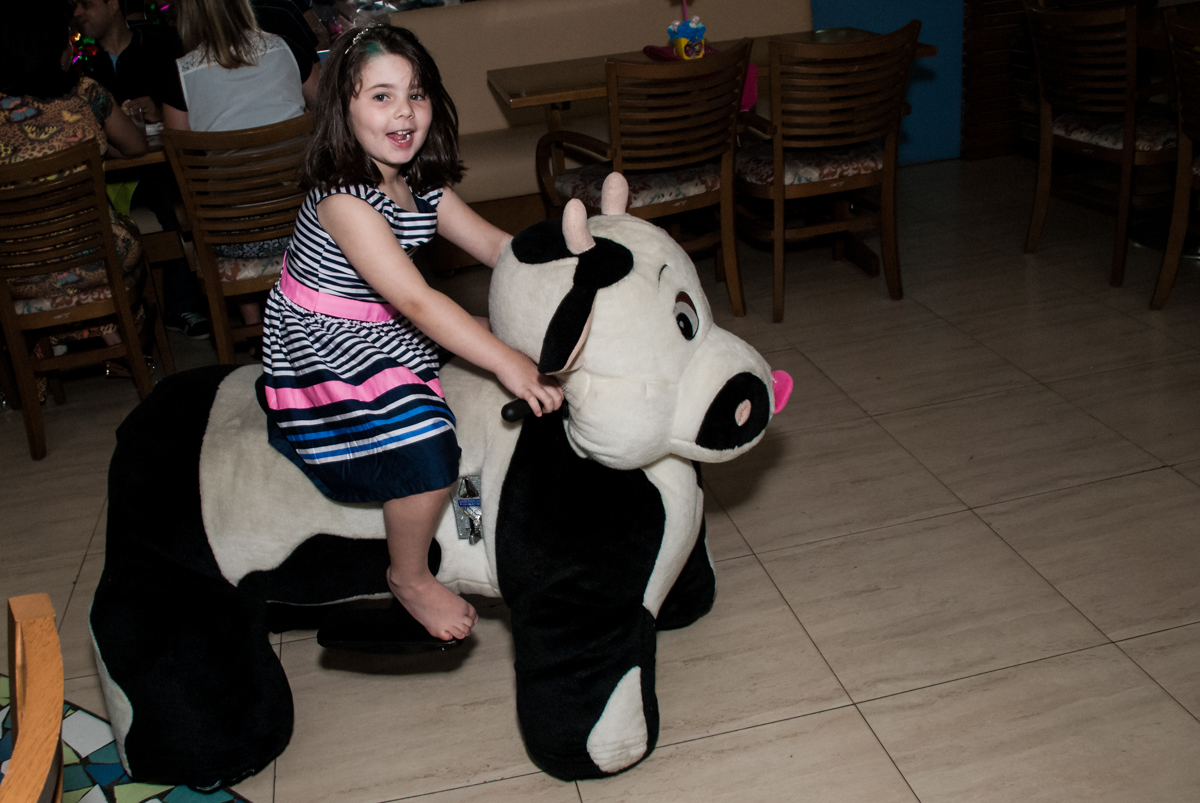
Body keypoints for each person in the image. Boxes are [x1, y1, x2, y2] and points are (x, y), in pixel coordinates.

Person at [260, 24, 563, 641]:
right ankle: (408, 575)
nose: (404, 110)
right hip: (325, 343)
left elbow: (494, 246)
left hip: (386, 320)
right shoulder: (345, 200)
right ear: (340, 111)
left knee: (515, 337)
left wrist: (562, 271)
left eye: (417, 94)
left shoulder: (420, 180)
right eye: (381, 96)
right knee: (427, 447)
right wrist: (505, 360)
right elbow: (418, 301)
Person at [1, 2, 149, 381]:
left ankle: (41, 351)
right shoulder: (86, 95)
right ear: (57, 49)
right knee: (133, 236)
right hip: (100, 259)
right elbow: (135, 146)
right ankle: (121, 342)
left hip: (15, 274)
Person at [72, 0, 213, 340]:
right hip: (111, 174)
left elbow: (195, 107)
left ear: (113, 4)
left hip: (157, 164)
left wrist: (160, 111)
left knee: (173, 192)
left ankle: (183, 305)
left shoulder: (163, 44)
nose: (78, 12)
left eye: (86, 4)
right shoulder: (82, 67)